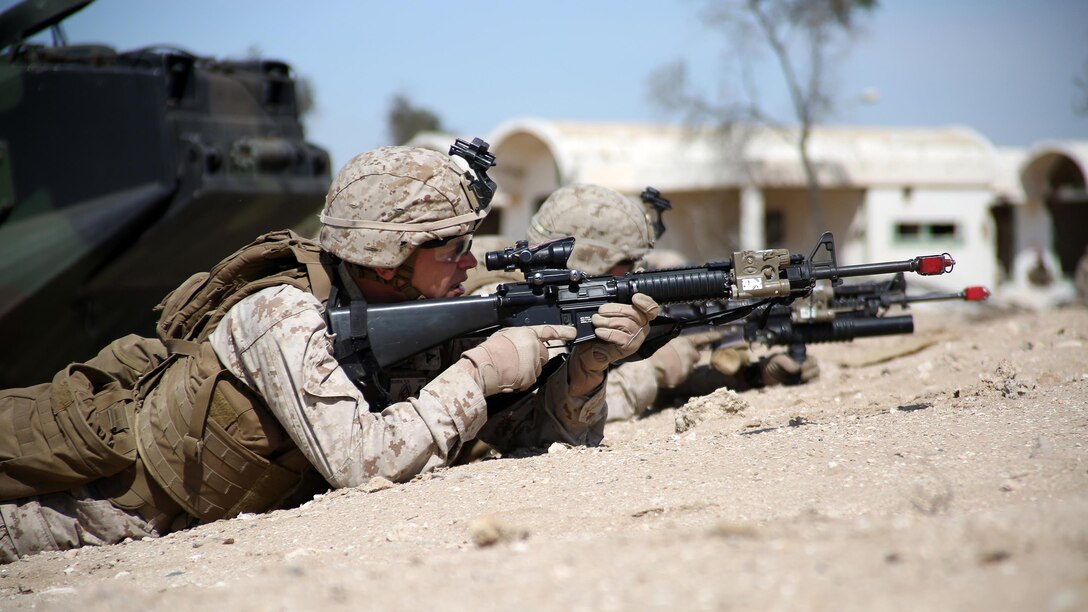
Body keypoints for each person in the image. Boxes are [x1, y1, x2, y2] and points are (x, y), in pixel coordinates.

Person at [0, 144, 660, 562]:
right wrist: (478, 373)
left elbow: (538, 446)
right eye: (451, 247)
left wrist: (584, 373)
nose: (470, 261)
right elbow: (360, 460)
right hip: (98, 512)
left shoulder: (421, 311)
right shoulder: (282, 315)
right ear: (388, 259)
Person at [463, 183, 818, 423]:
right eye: (627, 263)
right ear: (587, 258)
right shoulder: (509, 308)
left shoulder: (571, 303)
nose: (639, 272)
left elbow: (612, 377)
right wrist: (658, 366)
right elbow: (539, 416)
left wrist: (751, 375)